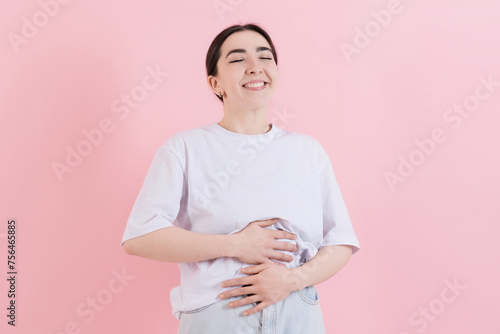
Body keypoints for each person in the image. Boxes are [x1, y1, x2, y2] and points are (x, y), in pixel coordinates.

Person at [121, 23, 360, 334]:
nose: (254, 68)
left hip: (298, 314)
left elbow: (341, 242)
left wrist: (293, 279)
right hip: (217, 315)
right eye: (237, 59)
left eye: (265, 57)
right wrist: (235, 244)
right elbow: (140, 237)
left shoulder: (307, 150)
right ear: (215, 83)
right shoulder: (186, 148)